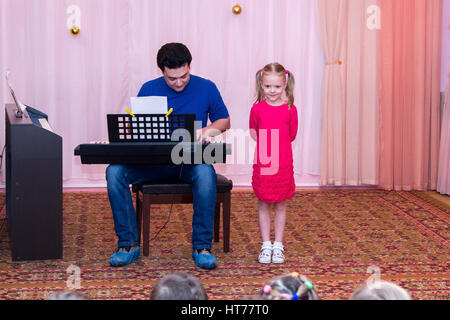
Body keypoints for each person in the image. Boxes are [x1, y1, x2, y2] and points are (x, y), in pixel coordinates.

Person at [106, 43, 230, 269]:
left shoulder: (206, 87)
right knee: (114, 171)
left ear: (189, 67)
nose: (179, 82)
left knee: (205, 172)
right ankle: (128, 244)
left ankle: (202, 246)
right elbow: (137, 129)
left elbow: (224, 121)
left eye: (184, 76)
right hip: (152, 164)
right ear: (161, 71)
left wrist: (205, 132)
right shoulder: (148, 88)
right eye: (172, 78)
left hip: (188, 163)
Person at [249, 63, 298, 264]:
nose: (272, 91)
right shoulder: (257, 108)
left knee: (280, 204)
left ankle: (278, 244)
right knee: (263, 203)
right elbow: (254, 131)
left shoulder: (290, 109)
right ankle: (266, 244)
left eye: (277, 87)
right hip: (264, 163)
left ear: (285, 84)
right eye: (268, 86)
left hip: (283, 163)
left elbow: (292, 134)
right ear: (261, 84)